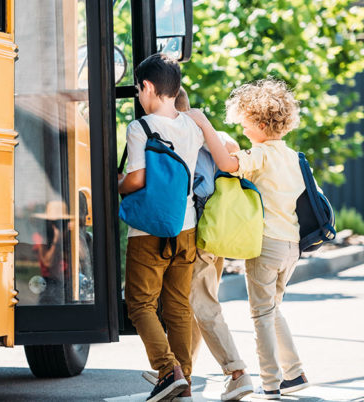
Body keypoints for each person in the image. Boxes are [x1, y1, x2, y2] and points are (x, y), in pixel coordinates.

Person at [186, 78, 310, 400]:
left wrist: (202, 123)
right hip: (291, 246)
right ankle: (294, 373)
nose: (242, 130)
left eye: (244, 124)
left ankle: (270, 382)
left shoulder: (261, 155)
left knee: (260, 314)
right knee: (273, 309)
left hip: (266, 244)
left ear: (258, 122)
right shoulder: (292, 157)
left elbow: (229, 164)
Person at [118, 55, 227, 402]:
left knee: (140, 305)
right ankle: (186, 379)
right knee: (178, 305)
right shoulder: (192, 128)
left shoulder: (140, 128)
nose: (138, 96)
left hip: (149, 230)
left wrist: (117, 183)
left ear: (148, 87)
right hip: (187, 229)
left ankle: (168, 371)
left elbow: (136, 178)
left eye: (138, 89)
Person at [32, 200, 73, 305]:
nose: (57, 225)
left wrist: (73, 232)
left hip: (68, 283)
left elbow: (83, 256)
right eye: (54, 222)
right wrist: (56, 241)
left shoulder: (69, 236)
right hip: (50, 284)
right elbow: (48, 262)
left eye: (60, 222)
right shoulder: (41, 237)